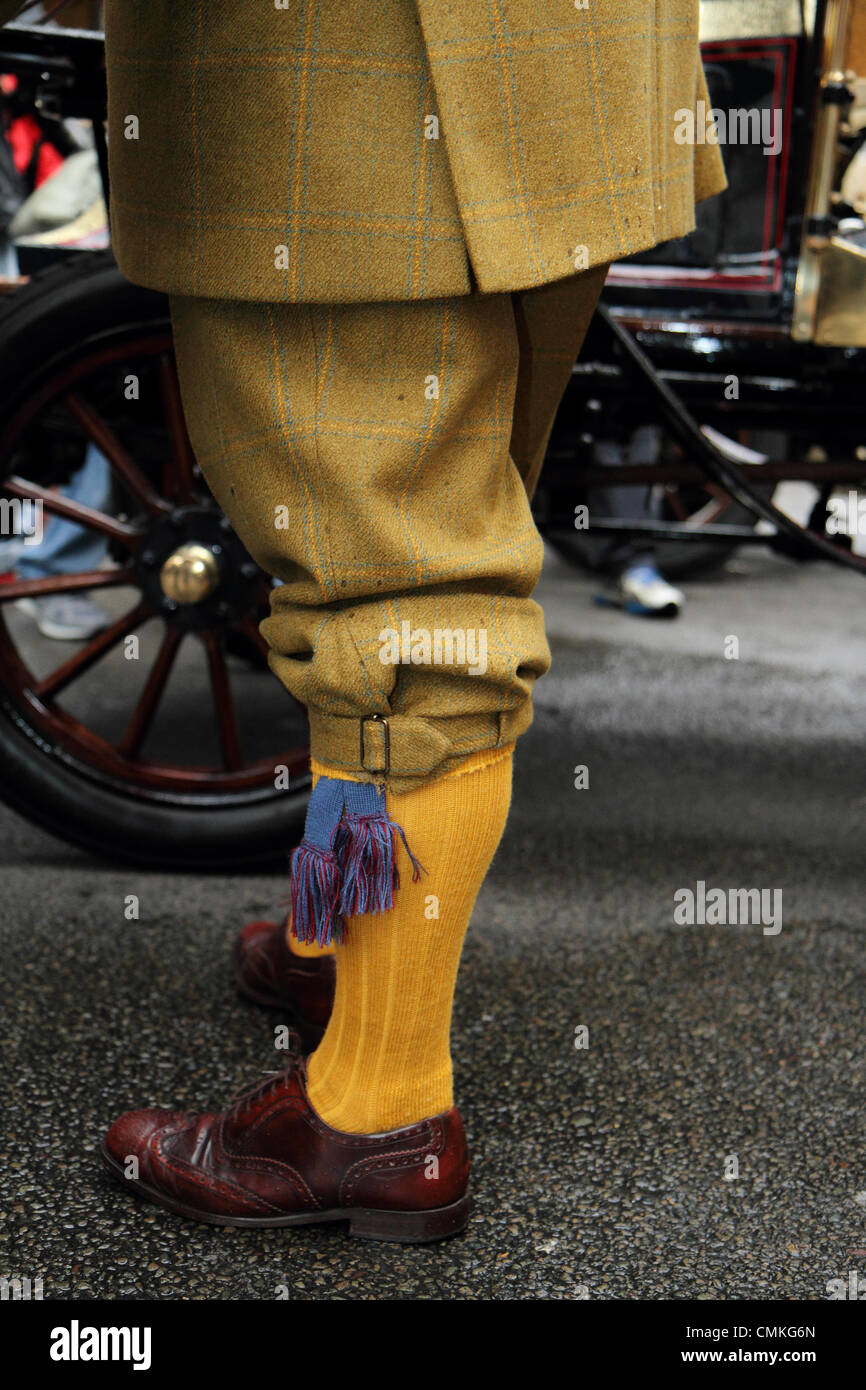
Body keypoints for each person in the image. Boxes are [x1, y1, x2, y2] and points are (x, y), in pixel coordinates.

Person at [0, 0, 726, 1241]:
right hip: (568, 71)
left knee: (401, 611)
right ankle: (343, 927)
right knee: (422, 545)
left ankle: (376, 1110)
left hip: (348, 84)